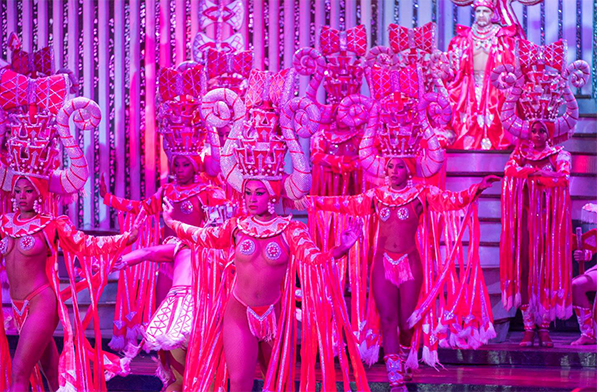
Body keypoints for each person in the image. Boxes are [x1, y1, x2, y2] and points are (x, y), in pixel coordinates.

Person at [170, 69, 370, 392]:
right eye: (247, 193)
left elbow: (315, 260)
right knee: (239, 384)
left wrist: (342, 248)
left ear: (273, 194)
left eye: (258, 193)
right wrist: (173, 224)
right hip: (239, 312)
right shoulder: (236, 227)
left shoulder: (289, 229)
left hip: (277, 316)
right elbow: (203, 238)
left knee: (280, 384)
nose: (251, 199)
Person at [308, 63, 498, 392]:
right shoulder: (376, 196)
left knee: (409, 319)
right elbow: (345, 202)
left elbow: (452, 200)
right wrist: (314, 202)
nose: (393, 169)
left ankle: (406, 355)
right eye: (390, 165)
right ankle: (394, 374)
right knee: (388, 318)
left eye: (399, 166)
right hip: (383, 263)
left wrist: (478, 188)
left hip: (410, 263)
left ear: (409, 170)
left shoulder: (423, 194)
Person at [0, 89, 142, 392]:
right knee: (51, 374)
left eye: (28, 191)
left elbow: (87, 244)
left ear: (40, 194)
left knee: (18, 372)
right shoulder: (1, 224)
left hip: (41, 303)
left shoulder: (51, 225)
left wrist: (124, 239)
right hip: (17, 308)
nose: (20, 197)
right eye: (16, 191)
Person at [102, 62, 231, 391]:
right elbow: (141, 208)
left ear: (195, 164)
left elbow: (224, 193)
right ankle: (169, 375)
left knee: (193, 320)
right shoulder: (167, 190)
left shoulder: (206, 190)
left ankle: (199, 373)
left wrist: (210, 127)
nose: (180, 167)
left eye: (186, 162)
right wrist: (109, 199)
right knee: (165, 319)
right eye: (176, 163)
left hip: (196, 257)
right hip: (168, 256)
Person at [493, 38, 590, 349]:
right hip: (524, 222)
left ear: (550, 132)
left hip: (549, 224)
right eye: (533, 130)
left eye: (541, 130)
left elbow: (561, 179)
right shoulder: (519, 153)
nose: (536, 135)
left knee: (547, 271)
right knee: (524, 271)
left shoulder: (560, 153)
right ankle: (528, 328)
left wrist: (533, 174)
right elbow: (510, 173)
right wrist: (537, 175)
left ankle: (545, 329)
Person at [446, 0, 517, 150]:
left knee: (497, 118)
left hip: (494, 87)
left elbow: (511, 65)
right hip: (469, 85)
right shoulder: (463, 39)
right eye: (478, 11)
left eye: (485, 11)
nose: (481, 15)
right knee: (465, 118)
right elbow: (453, 67)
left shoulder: (503, 38)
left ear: (492, 14)